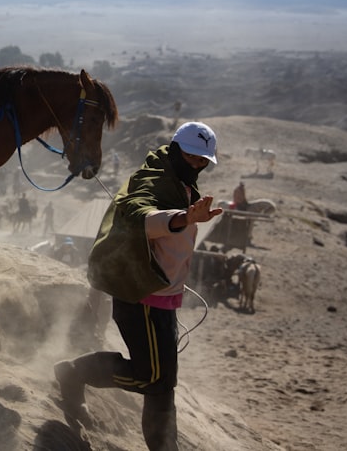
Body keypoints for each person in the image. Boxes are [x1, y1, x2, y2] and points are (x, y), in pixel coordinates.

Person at [54, 121, 223, 451]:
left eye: (203, 161)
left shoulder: (180, 179)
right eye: (191, 157)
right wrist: (183, 219)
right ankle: (74, 374)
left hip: (164, 296)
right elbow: (136, 212)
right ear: (175, 151)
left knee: (164, 383)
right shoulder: (153, 178)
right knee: (152, 378)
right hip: (142, 296)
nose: (197, 165)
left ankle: (164, 446)